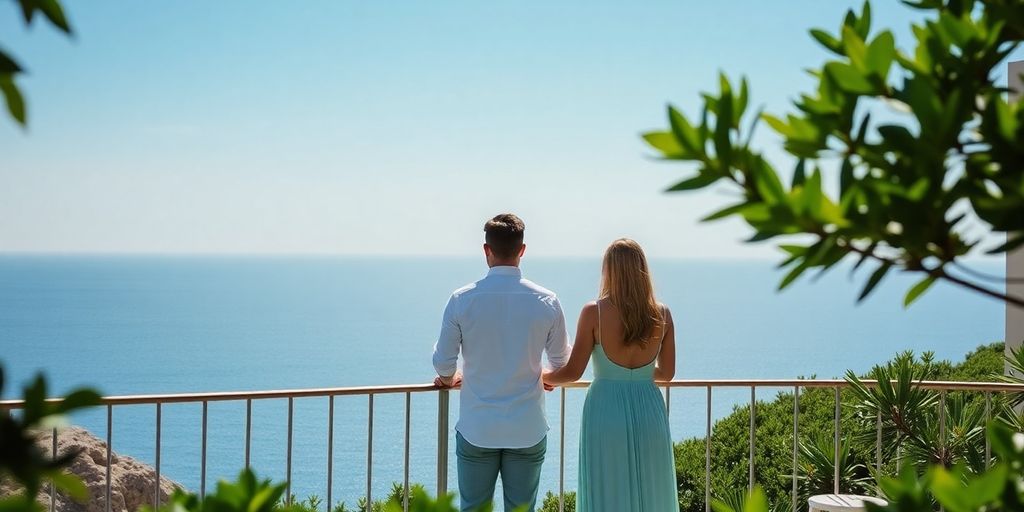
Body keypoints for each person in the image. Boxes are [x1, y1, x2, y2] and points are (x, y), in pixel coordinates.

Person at [432, 213, 571, 512]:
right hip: (527, 427)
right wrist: (541, 375)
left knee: (473, 508)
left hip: (477, 427)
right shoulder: (546, 300)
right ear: (522, 250)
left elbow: (444, 363)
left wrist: (448, 379)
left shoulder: (462, 299)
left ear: (486, 250)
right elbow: (562, 363)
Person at [543, 238, 679, 512]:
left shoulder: (594, 312)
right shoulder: (662, 314)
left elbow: (573, 371)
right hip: (649, 409)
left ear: (610, 271)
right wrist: (636, 373)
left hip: (606, 410)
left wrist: (543, 377)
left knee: (607, 488)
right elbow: (667, 373)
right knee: (652, 489)